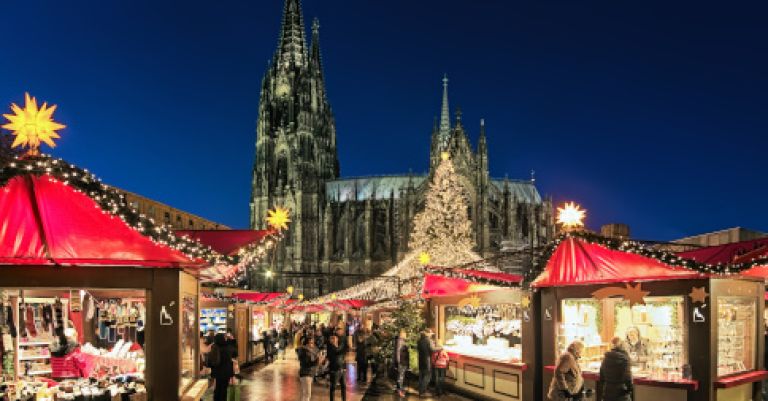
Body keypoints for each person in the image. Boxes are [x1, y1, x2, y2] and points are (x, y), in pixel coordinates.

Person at [599, 337, 633, 401]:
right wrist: (630, 389)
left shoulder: (606, 358)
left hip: (608, 391)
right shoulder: (625, 359)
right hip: (621, 393)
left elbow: (601, 376)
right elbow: (627, 377)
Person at [207, 333, 235, 401]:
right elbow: (234, 354)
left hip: (217, 372)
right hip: (226, 372)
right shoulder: (228, 347)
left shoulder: (214, 347)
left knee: (217, 388)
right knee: (224, 389)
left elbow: (209, 362)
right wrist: (233, 340)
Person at [327, 334, 348, 401]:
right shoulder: (330, 348)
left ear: (337, 339)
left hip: (342, 369)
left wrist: (344, 367)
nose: (334, 340)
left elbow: (343, 357)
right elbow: (337, 351)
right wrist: (343, 346)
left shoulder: (339, 348)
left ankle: (344, 399)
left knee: (344, 386)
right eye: (332, 338)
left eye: (335, 338)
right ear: (330, 340)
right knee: (333, 387)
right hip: (335, 370)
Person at [417, 329, 437, 397]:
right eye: (431, 333)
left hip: (420, 360)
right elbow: (432, 349)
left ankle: (420, 391)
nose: (431, 335)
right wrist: (441, 348)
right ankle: (422, 392)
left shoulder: (419, 340)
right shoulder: (428, 340)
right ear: (428, 333)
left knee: (421, 376)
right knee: (427, 376)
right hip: (427, 361)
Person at [298, 336, 318, 401]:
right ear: (306, 344)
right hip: (306, 373)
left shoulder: (308, 352)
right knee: (307, 394)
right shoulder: (305, 352)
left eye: (313, 343)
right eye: (310, 343)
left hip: (308, 373)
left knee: (305, 394)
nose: (312, 345)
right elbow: (307, 364)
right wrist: (318, 360)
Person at [393, 329, 410, 398]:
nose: (406, 335)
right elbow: (398, 351)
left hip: (403, 361)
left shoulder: (402, 341)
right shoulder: (400, 341)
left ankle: (399, 389)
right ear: (402, 334)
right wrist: (398, 361)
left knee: (401, 375)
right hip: (402, 361)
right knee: (401, 376)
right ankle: (399, 391)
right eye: (405, 334)